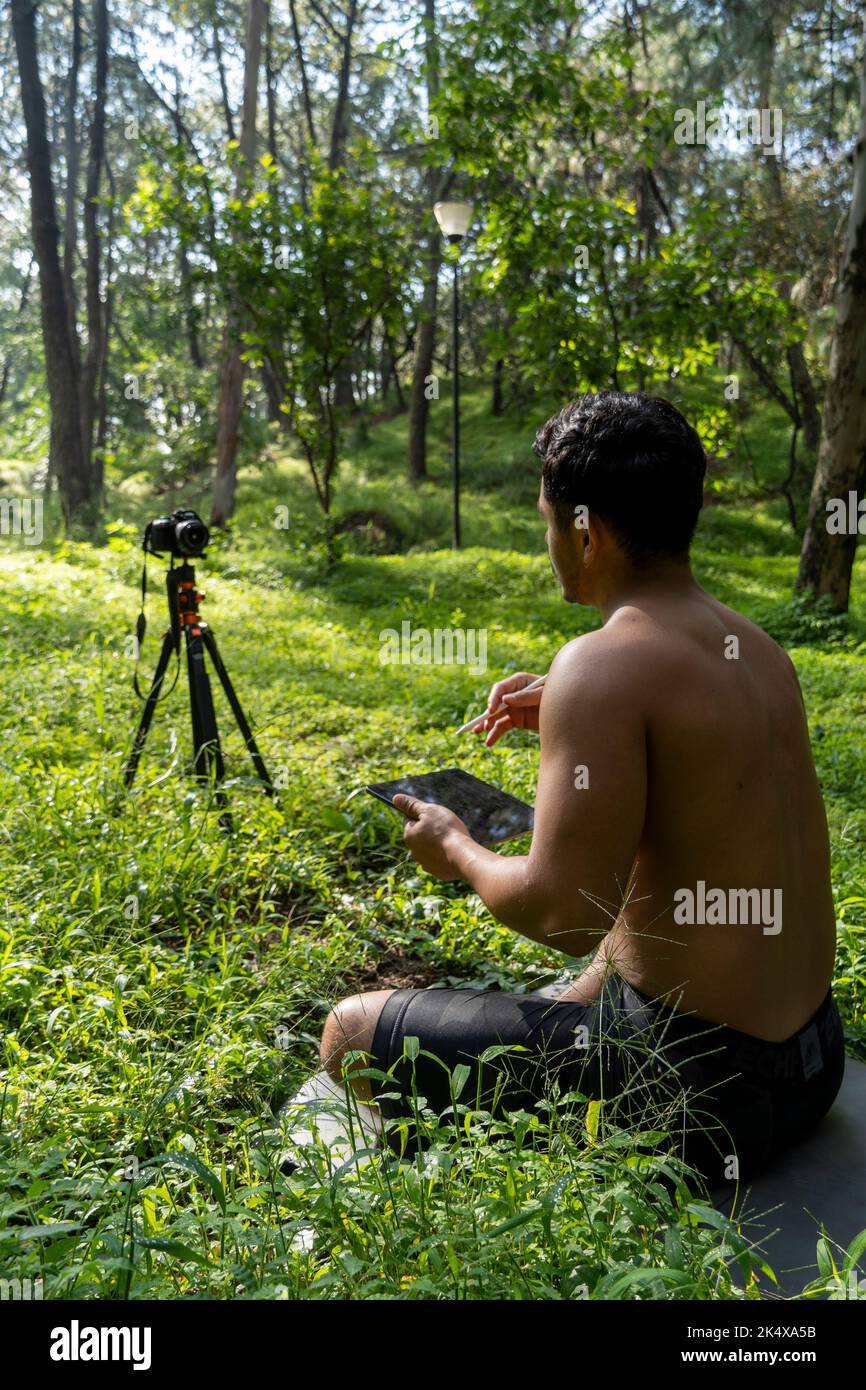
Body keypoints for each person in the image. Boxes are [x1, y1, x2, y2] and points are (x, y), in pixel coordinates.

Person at [319, 392, 845, 1184]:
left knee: (348, 1034)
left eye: (546, 523)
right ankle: (581, 1033)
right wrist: (585, 729)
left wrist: (455, 847)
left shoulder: (600, 664)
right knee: (587, 981)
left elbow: (563, 914)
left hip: (694, 1101)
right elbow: (699, 810)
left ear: (585, 531)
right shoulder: (759, 650)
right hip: (814, 1066)